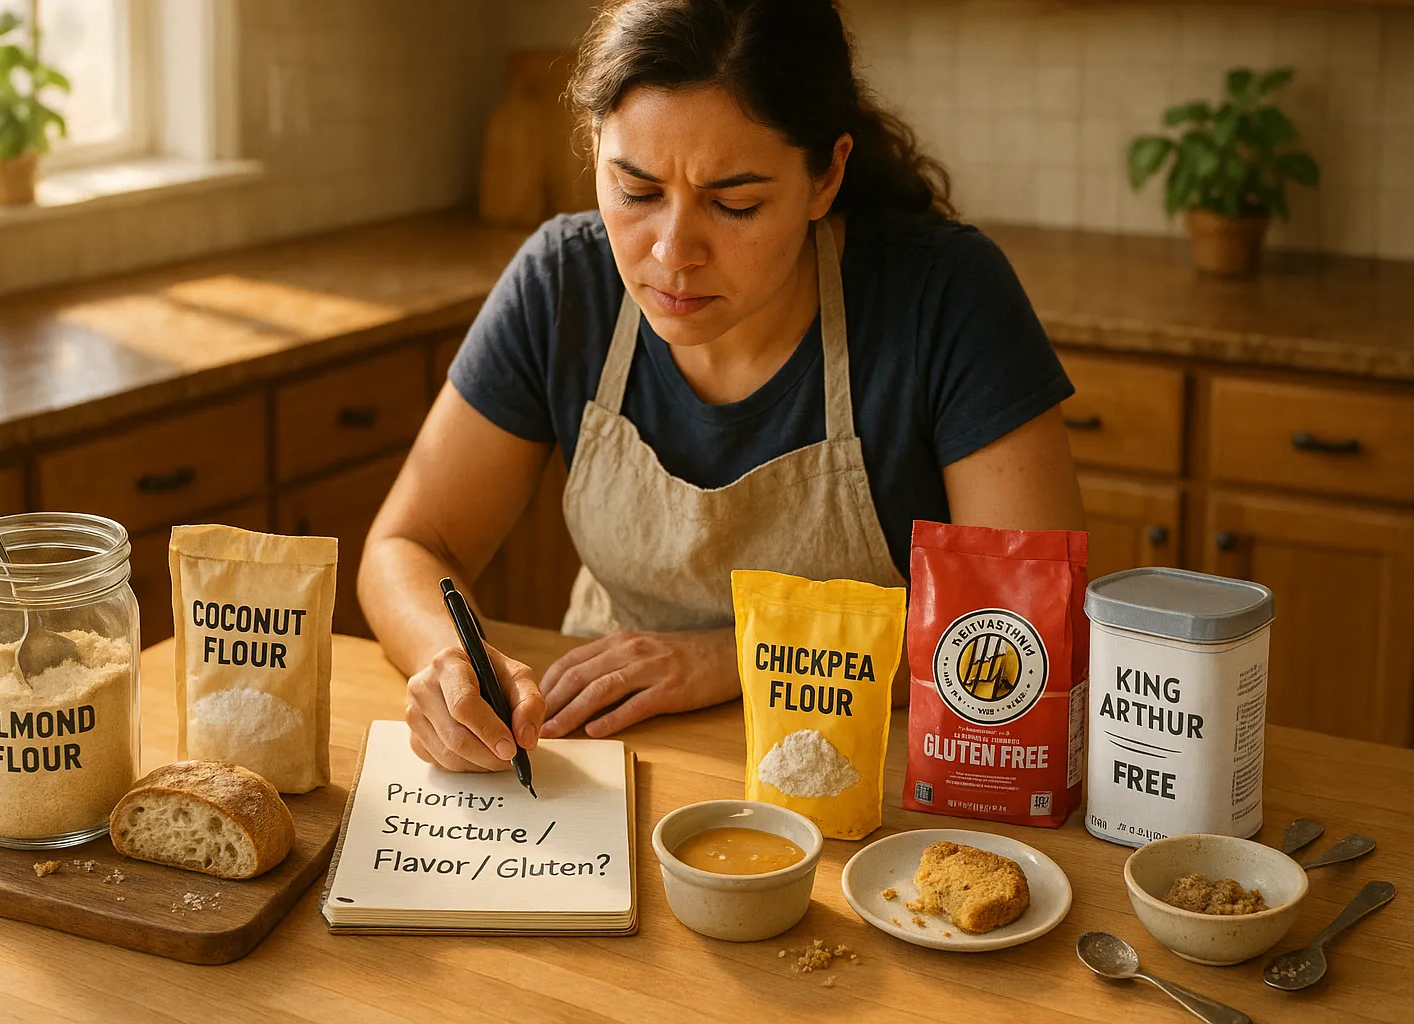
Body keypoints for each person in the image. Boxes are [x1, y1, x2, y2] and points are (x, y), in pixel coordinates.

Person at [358, 0, 1084, 773]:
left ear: (825, 175)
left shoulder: (943, 295)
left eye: (734, 203)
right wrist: (449, 662)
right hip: (610, 747)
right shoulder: (563, 283)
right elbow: (407, 543)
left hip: (873, 775)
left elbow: (1024, 624)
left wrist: (732, 658)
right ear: (594, 146)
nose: (673, 253)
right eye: (635, 192)